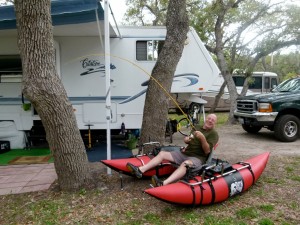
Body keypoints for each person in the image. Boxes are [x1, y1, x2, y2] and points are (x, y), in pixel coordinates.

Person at [126, 113, 219, 187]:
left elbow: (207, 151)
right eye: (209, 118)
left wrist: (202, 138)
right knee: (162, 153)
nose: (210, 121)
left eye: (213, 120)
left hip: (198, 158)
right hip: (185, 153)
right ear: (206, 118)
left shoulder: (214, 134)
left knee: (186, 164)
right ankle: (140, 170)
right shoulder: (197, 127)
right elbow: (189, 140)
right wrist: (186, 140)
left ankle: (163, 183)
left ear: (215, 123)